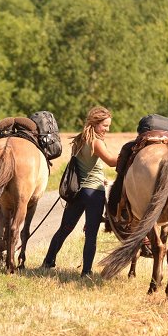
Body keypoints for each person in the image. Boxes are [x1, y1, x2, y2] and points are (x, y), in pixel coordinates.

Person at [41, 106, 117, 277]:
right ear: (95, 123)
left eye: (108, 126)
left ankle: (47, 262)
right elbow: (112, 162)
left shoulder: (80, 140)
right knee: (91, 234)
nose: (107, 129)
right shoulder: (96, 142)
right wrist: (130, 154)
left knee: (64, 229)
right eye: (104, 125)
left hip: (77, 193)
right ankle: (86, 272)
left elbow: (86, 164)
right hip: (93, 193)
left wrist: (101, 176)